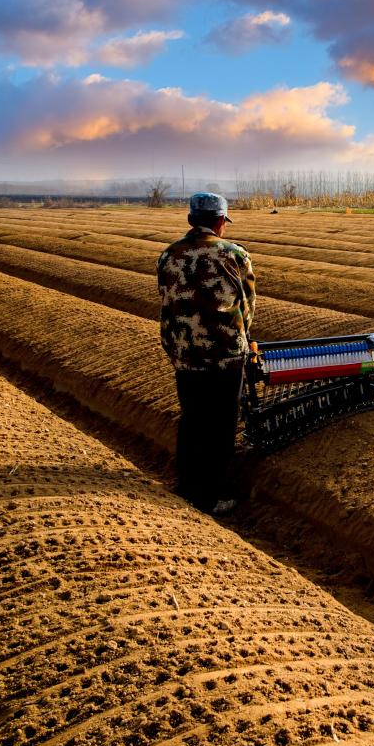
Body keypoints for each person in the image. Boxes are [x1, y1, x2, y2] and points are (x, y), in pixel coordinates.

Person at [156, 192, 256, 516]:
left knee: (193, 419)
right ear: (219, 223)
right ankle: (210, 498)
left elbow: (167, 301)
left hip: (185, 353)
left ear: (190, 220)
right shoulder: (235, 255)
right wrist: (244, 337)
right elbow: (248, 306)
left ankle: (187, 487)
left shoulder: (168, 256)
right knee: (221, 425)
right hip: (226, 355)